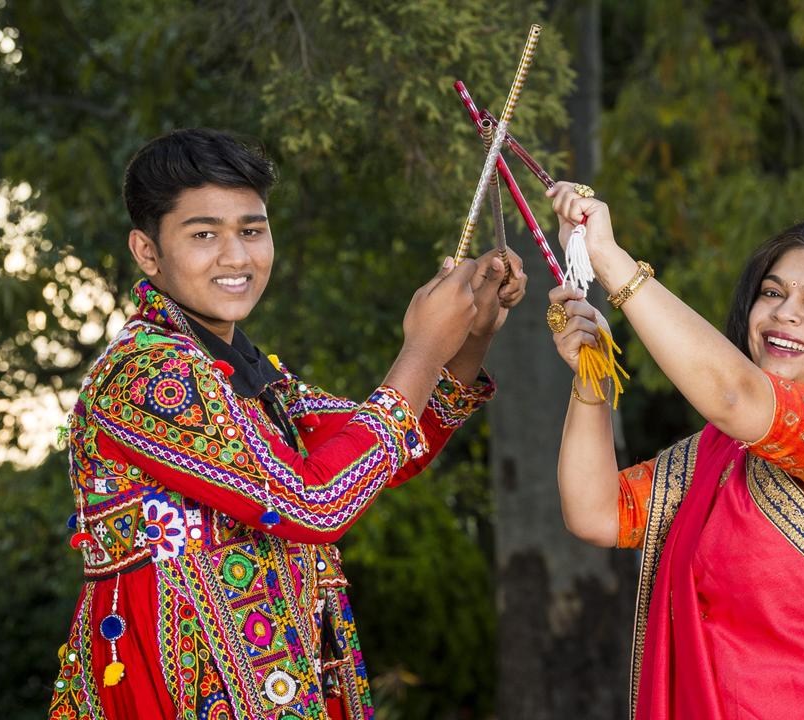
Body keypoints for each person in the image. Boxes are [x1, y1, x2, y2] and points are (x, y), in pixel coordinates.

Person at [48, 128, 526, 720]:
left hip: (272, 674)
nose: (237, 257)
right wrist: (422, 350)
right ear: (148, 252)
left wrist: (469, 338)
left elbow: (373, 455)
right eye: (204, 235)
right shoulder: (148, 376)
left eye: (252, 230)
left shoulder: (242, 370)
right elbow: (314, 504)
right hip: (171, 683)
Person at [544, 182, 804, 719]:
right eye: (772, 292)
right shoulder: (722, 454)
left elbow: (733, 394)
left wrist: (610, 262)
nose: (785, 313)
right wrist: (591, 375)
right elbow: (598, 512)